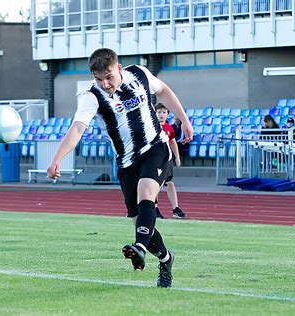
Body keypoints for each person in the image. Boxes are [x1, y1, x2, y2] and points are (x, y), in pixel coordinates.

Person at [46, 48, 193, 288]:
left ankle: (140, 247)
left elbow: (163, 90)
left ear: (119, 69)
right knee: (140, 221)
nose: (105, 84)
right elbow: (77, 129)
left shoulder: (140, 75)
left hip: (155, 147)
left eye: (109, 77)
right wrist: (57, 158)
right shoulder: (92, 96)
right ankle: (165, 259)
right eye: (98, 79)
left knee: (147, 191)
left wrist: (184, 120)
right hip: (126, 162)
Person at [154, 103, 186, 219]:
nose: (161, 115)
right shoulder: (152, 126)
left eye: (164, 112)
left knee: (170, 183)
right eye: (159, 112)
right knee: (156, 184)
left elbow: (172, 142)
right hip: (155, 159)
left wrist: (177, 157)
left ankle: (175, 208)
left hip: (166, 160)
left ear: (168, 115)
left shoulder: (168, 127)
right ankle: (155, 207)